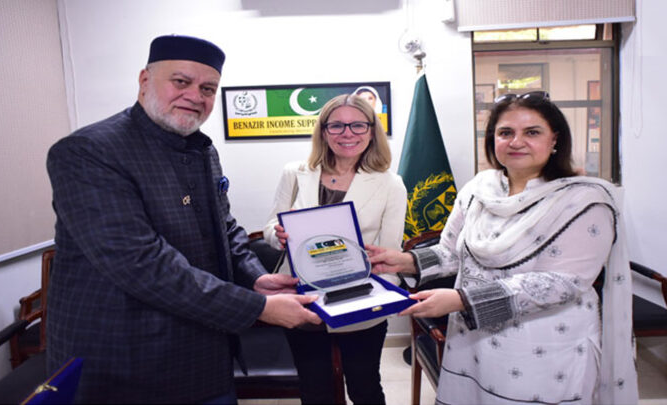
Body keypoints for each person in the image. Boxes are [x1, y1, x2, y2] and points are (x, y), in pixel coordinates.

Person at [46, 34, 321, 403]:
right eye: (181, 81)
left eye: (208, 88)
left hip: (206, 354)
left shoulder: (201, 149)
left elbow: (225, 228)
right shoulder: (89, 152)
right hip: (124, 363)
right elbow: (140, 263)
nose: (195, 96)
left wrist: (256, 278)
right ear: (144, 80)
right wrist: (258, 308)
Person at [367, 91, 638, 404]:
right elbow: (451, 252)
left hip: (546, 348)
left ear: (554, 140)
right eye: (505, 132)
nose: (516, 142)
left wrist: (461, 300)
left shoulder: (584, 200)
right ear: (492, 139)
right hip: (473, 341)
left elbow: (564, 282)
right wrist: (404, 261)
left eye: (532, 132)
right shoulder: (479, 189)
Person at [263, 94, 407, 404]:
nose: (347, 133)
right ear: (324, 131)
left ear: (372, 131)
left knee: (365, 389)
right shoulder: (295, 172)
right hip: (304, 299)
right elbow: (271, 226)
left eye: (358, 125)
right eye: (337, 125)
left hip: (358, 300)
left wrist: (381, 298)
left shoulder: (391, 184)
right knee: (315, 390)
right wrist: (278, 235)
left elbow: (390, 252)